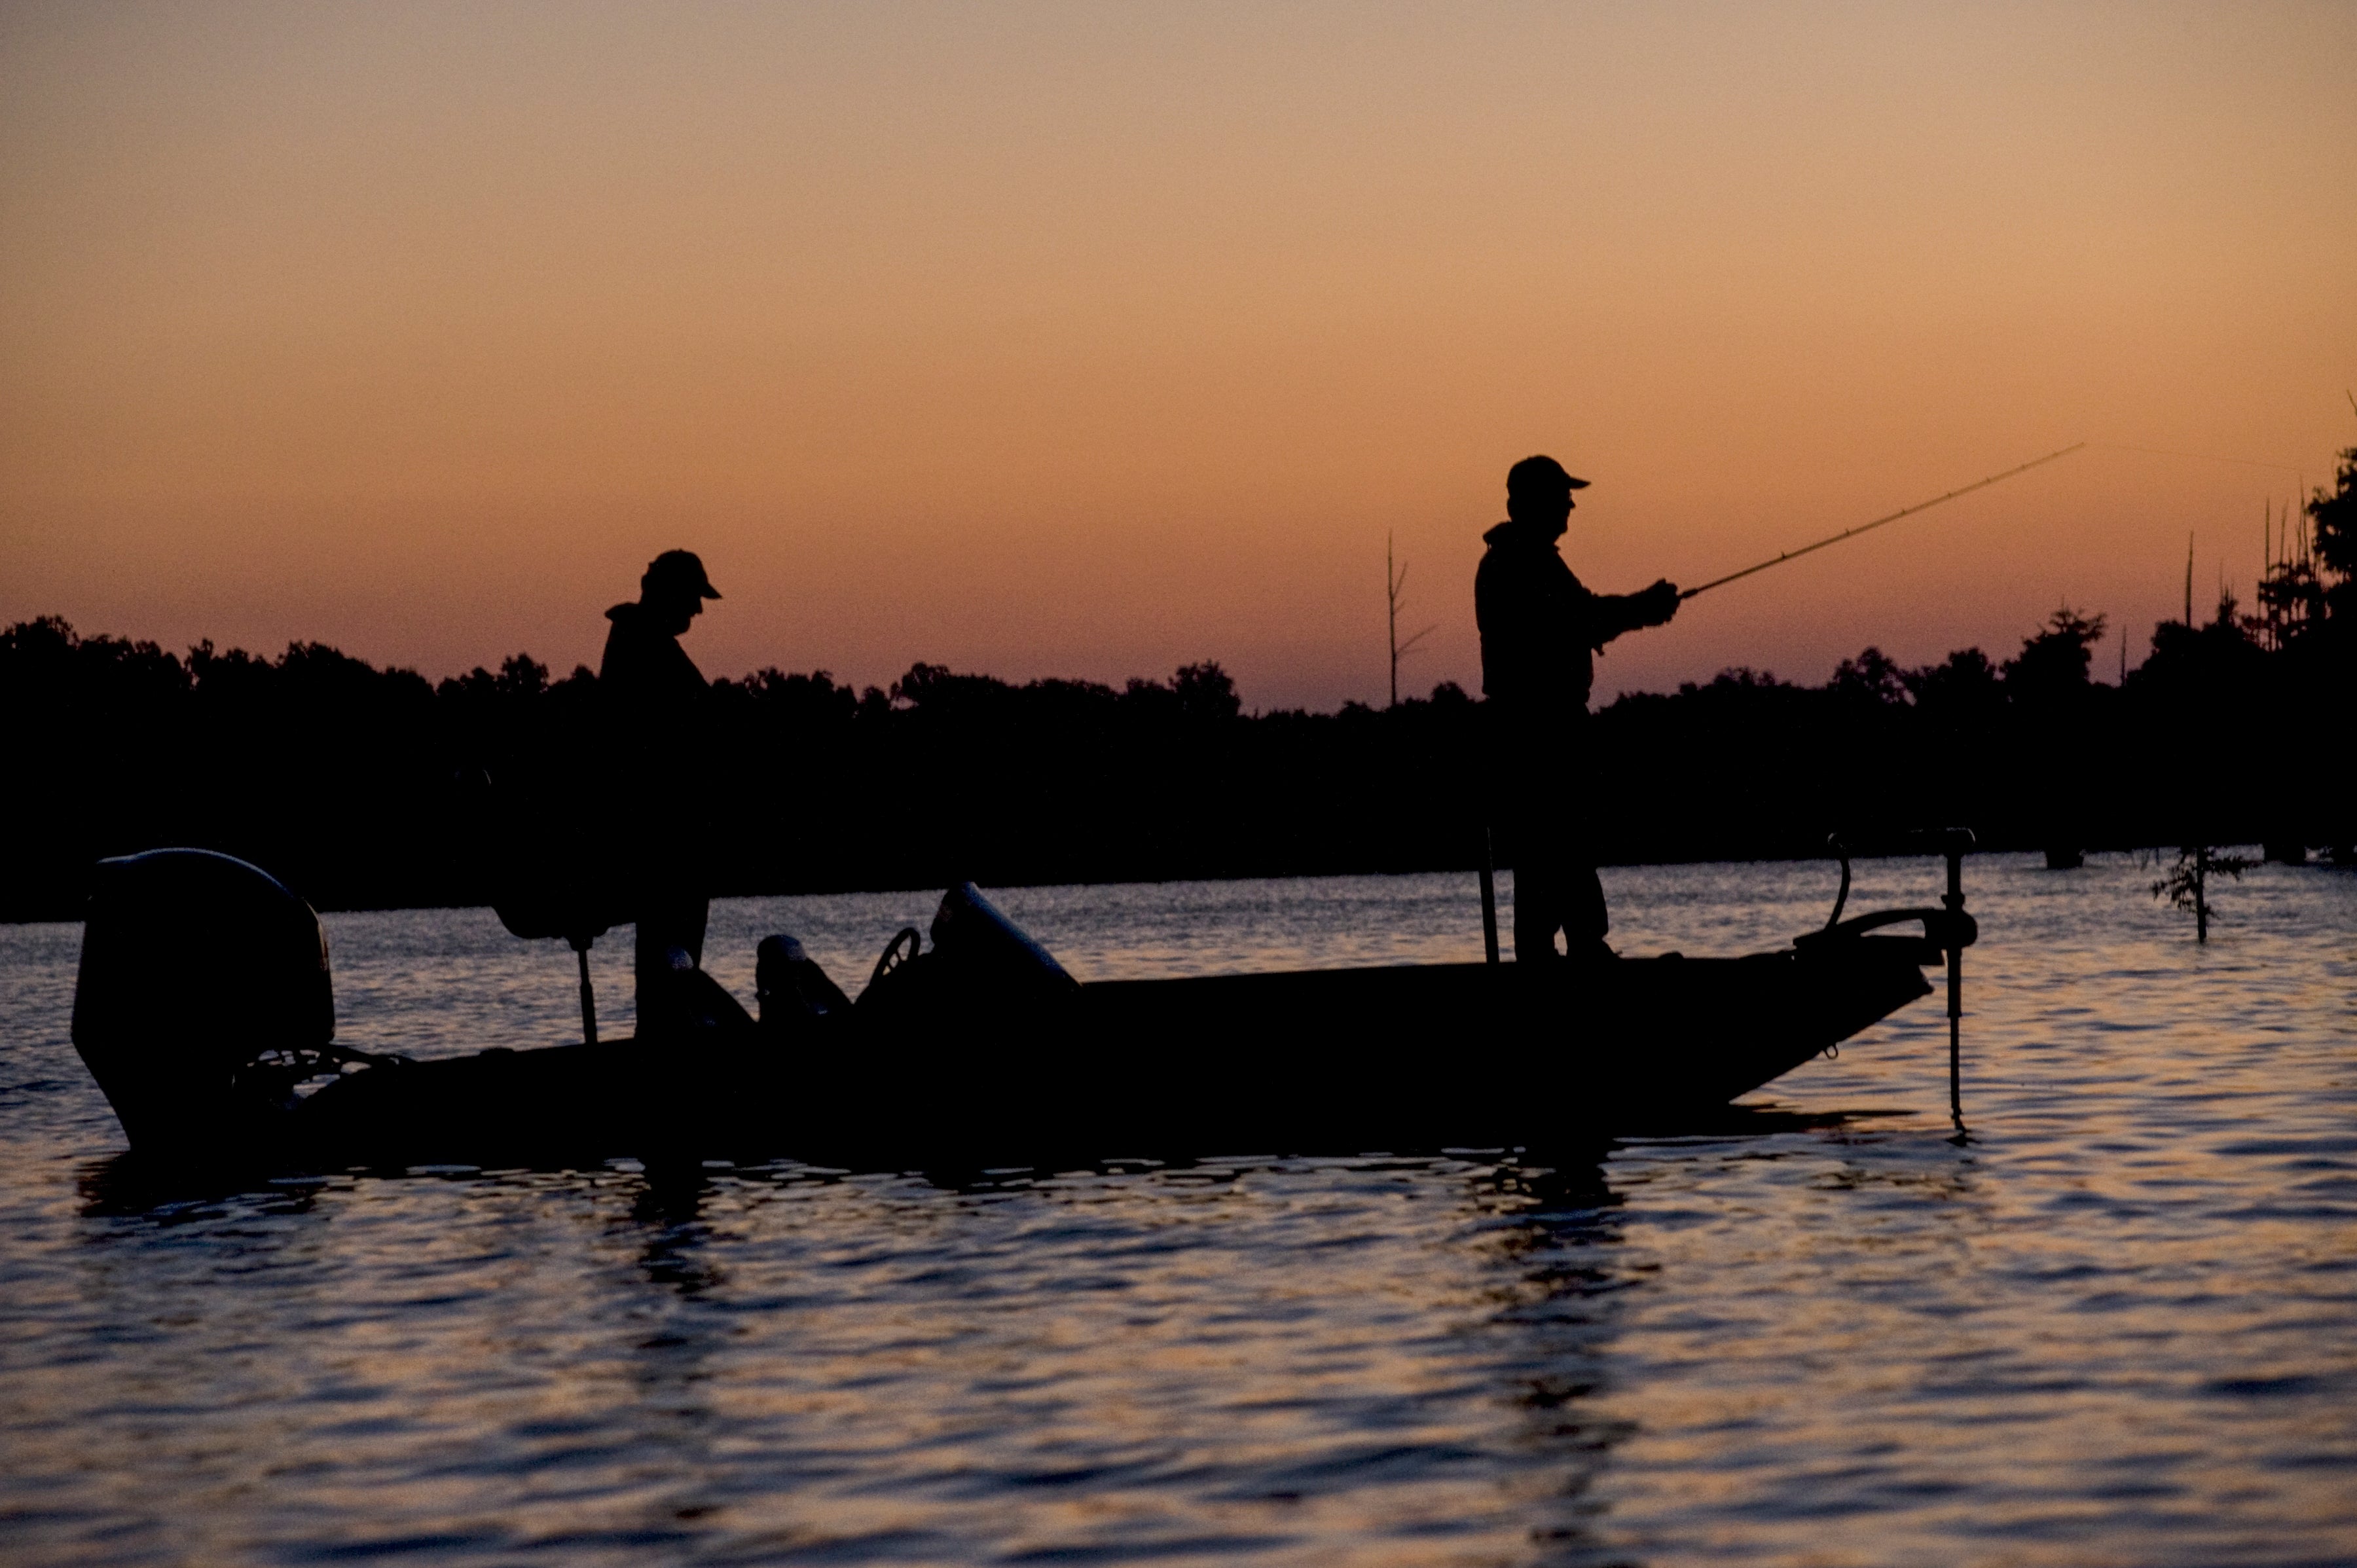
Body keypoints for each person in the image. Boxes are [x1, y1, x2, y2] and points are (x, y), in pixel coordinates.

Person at [1474, 456, 1679, 964]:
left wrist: (1635, 611)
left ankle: (1571, 954)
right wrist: (1642, 608)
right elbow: (1576, 619)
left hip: (1548, 727)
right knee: (1555, 844)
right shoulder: (1514, 564)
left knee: (1559, 846)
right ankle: (1574, 956)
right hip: (1536, 730)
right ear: (1525, 504)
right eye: (1560, 497)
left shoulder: (1533, 559)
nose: (1570, 506)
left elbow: (1579, 615)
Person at [600, 549, 722, 1032]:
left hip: (675, 845)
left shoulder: (642, 641)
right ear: (669, 593)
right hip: (666, 849)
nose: (698, 610)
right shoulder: (641, 644)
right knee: (668, 976)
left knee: (673, 977)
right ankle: (664, 1063)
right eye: (693, 597)